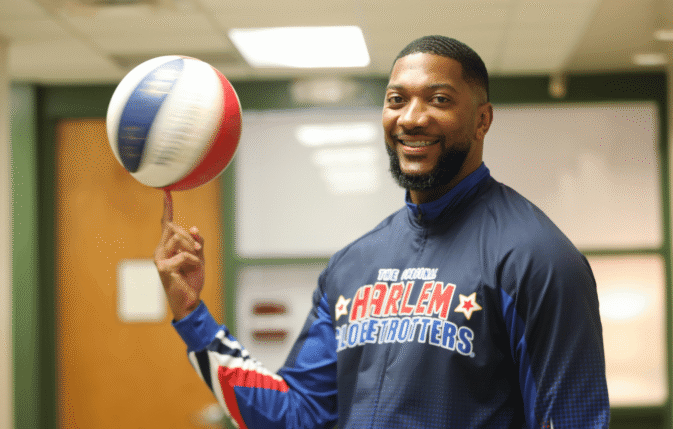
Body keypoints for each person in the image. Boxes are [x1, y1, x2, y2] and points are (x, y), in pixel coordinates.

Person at [154, 35, 610, 429]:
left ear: (482, 120)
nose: (412, 118)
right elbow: (295, 415)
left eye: (439, 99)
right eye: (397, 100)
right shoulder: (354, 264)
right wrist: (191, 313)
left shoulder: (537, 258)